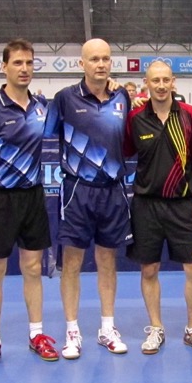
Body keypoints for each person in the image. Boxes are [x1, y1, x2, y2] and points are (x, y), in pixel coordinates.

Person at [0, 39, 58, 372]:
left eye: (29, 63)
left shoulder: (41, 108)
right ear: (4, 67)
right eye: (17, 63)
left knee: (33, 269)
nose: (24, 69)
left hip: (32, 197)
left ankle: (37, 335)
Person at [44, 38, 132, 360]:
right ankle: (72, 330)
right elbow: (42, 133)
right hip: (77, 192)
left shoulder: (122, 97)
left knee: (108, 261)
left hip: (113, 191)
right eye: (94, 59)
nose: (101, 64)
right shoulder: (64, 99)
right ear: (82, 64)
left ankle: (107, 328)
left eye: (105, 58)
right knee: (72, 263)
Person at [124, 61, 192, 355]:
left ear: (173, 82)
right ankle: (156, 328)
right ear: (146, 83)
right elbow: (123, 150)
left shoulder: (190, 115)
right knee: (149, 269)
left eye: (165, 80)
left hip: (181, 204)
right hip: (145, 204)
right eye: (155, 80)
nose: (161, 85)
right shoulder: (135, 118)